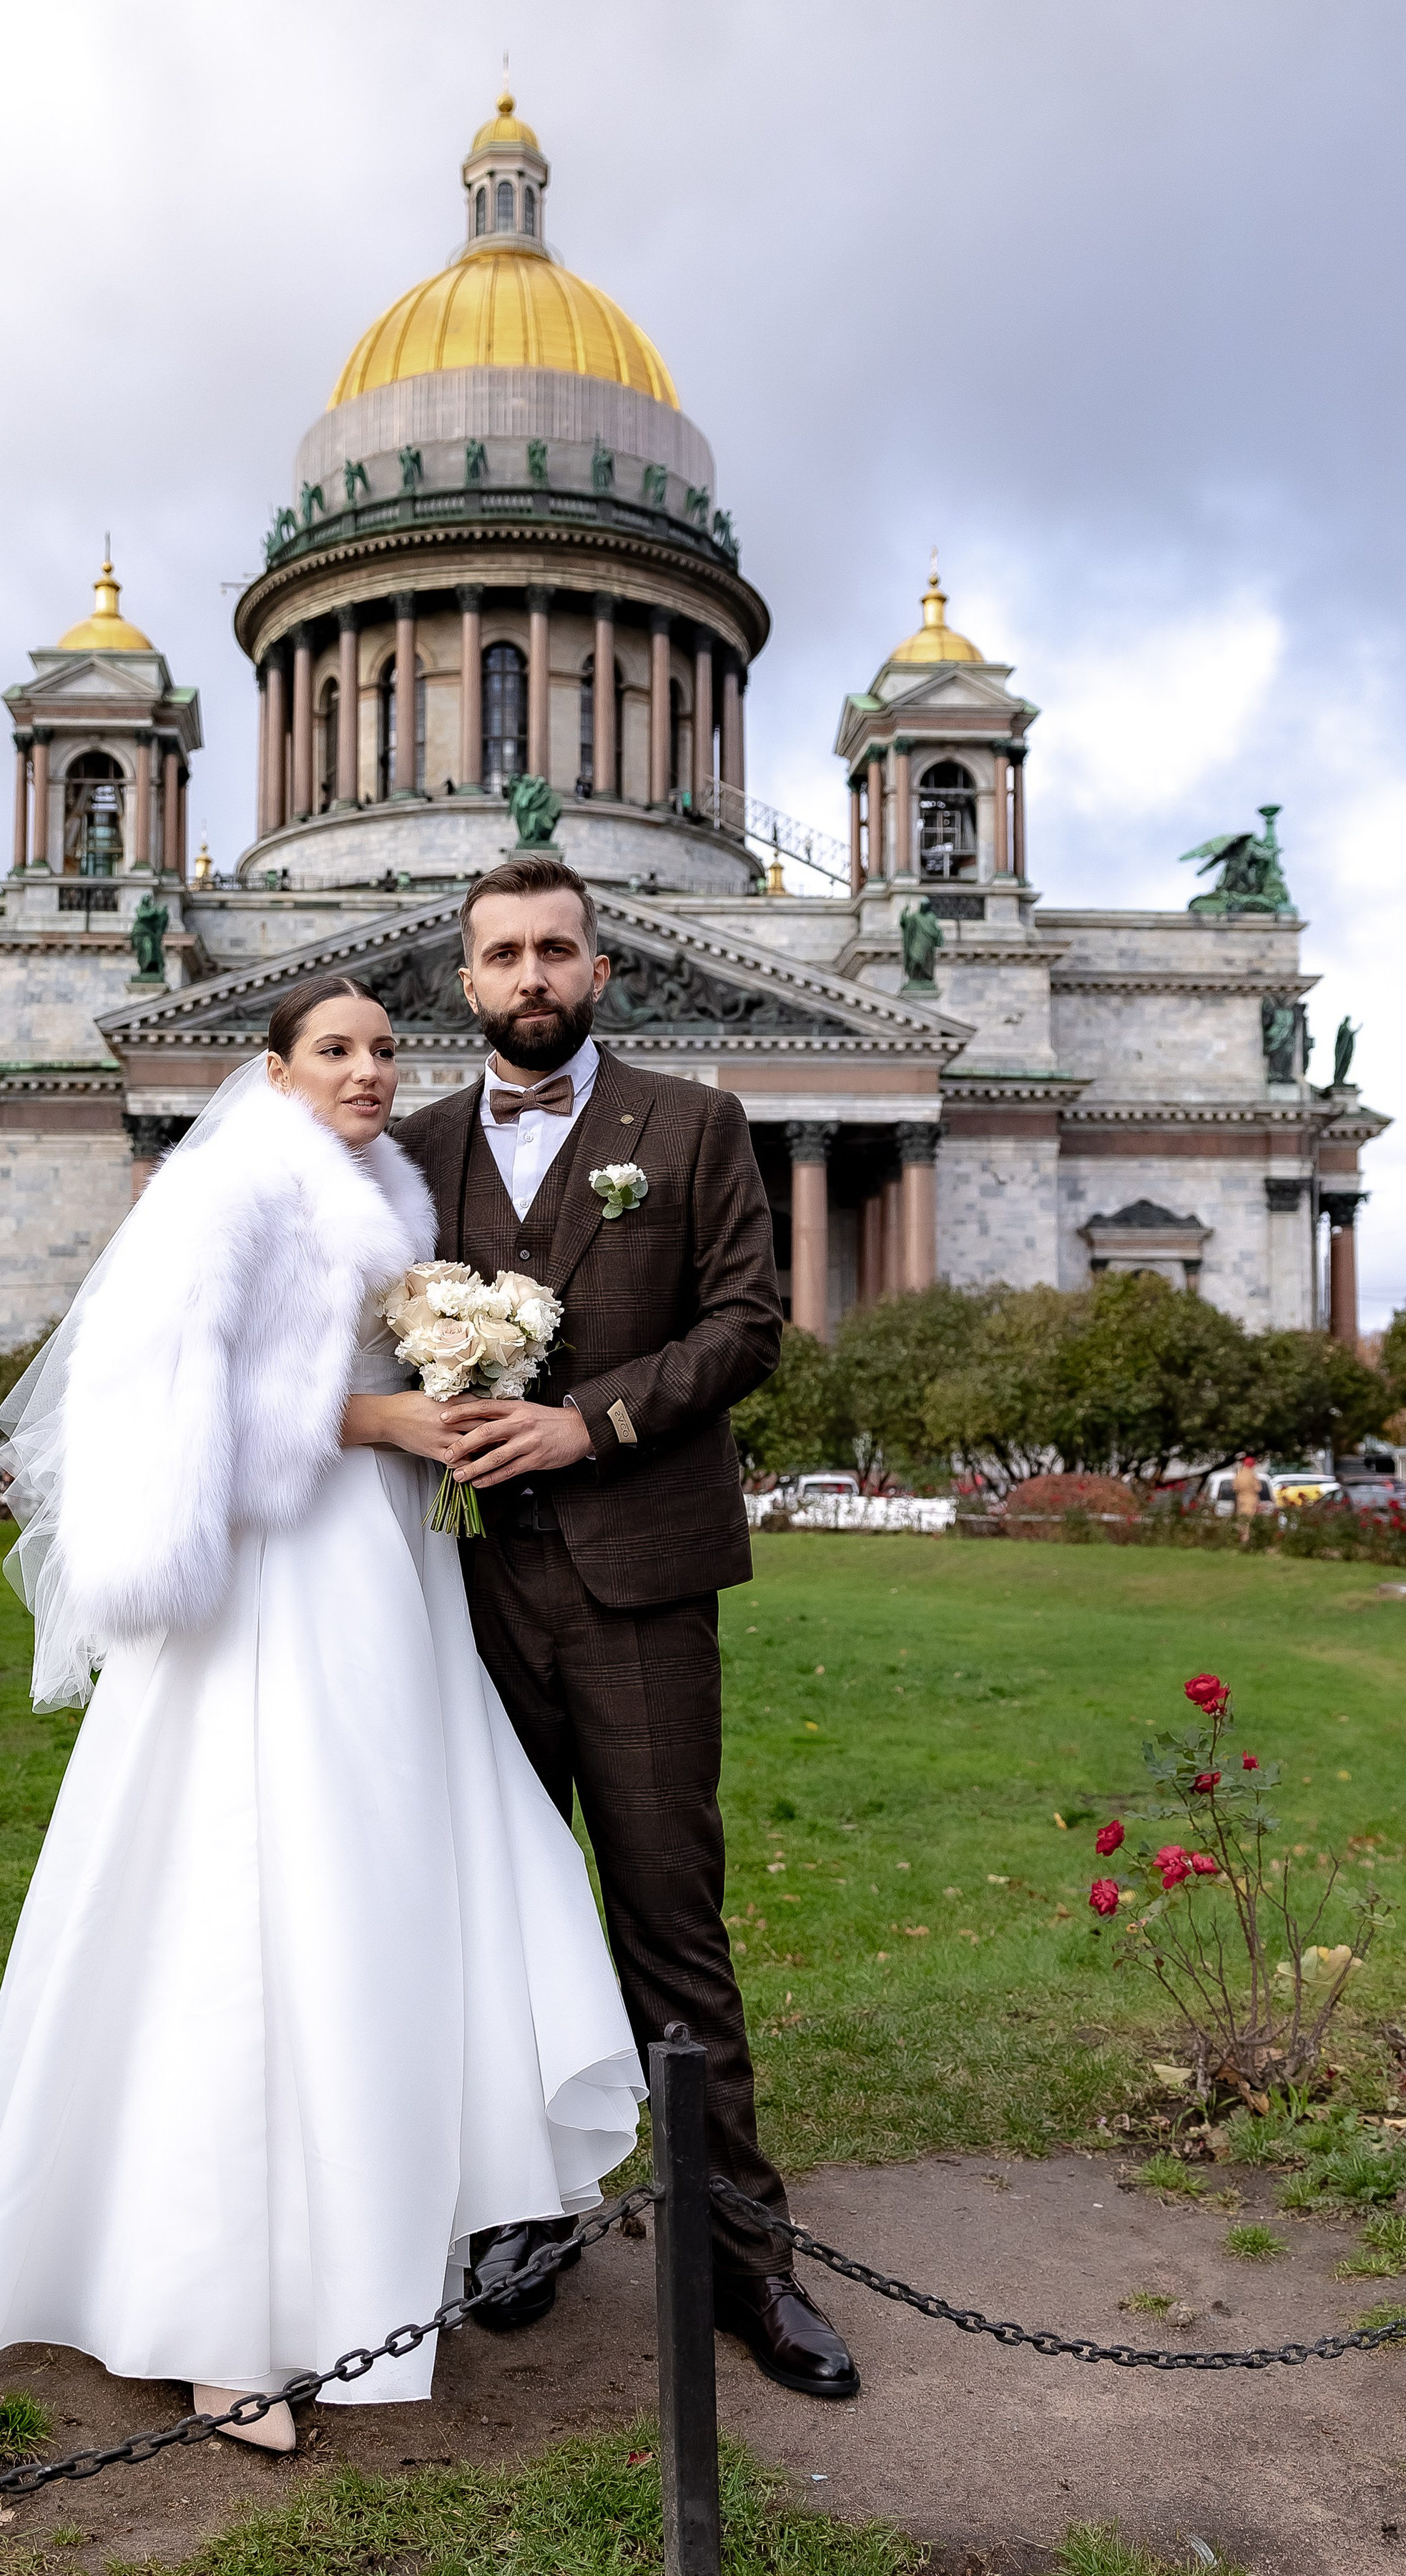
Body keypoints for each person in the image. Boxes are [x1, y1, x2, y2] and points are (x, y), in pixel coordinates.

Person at [0, 974, 643, 2450]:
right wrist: (384, 1414)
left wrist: (447, 1378)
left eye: (384, 1048)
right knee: (247, 1910)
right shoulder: (237, 1184)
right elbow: (175, 1395)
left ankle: (356, 2238)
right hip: (279, 1584)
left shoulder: (368, 1178)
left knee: (369, 1895)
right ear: (276, 1065)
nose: (370, 1070)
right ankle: (211, 2321)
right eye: (336, 1049)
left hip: (380, 1575)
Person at [400, 855, 860, 2402]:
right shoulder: (403, 1151)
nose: (528, 977)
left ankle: (749, 2267)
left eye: (555, 951)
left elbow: (744, 1324)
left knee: (670, 1926)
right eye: (500, 956)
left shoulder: (693, 1122)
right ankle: (522, 2223)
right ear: (462, 983)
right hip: (459, 1588)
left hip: (640, 1582)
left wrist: (581, 1426)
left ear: (603, 969)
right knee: (494, 1924)